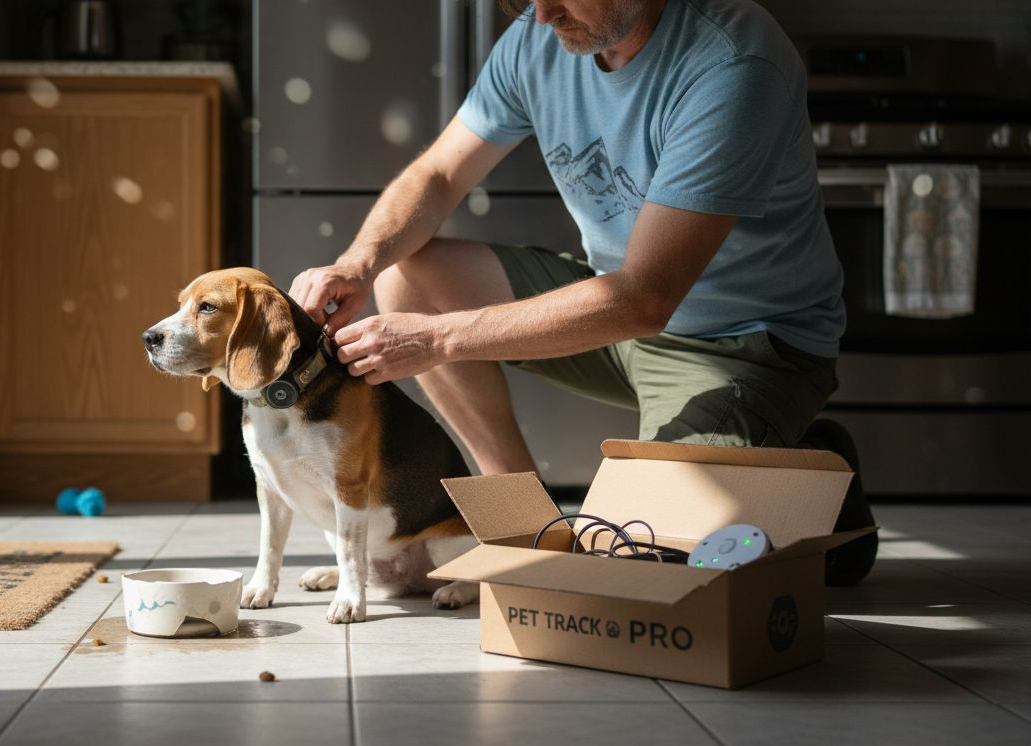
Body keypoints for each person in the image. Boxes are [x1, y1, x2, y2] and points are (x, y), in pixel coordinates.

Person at [288, 0, 877, 585]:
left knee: (651, 567)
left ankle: (811, 470)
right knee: (405, 277)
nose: (542, 16)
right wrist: (358, 262)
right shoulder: (540, 35)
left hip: (744, 347)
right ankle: (526, 526)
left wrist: (439, 339)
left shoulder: (733, 62)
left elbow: (648, 295)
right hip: (621, 313)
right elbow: (439, 175)